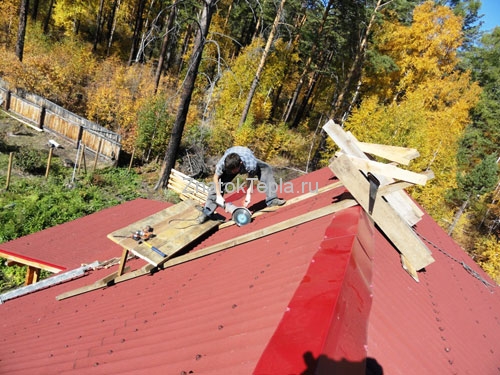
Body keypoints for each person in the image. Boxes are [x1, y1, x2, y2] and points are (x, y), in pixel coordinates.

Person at [198, 146, 286, 223]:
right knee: (217, 186)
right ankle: (207, 211)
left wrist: (248, 195)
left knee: (266, 169)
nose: (233, 173)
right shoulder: (222, 165)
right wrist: (218, 196)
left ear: (240, 164)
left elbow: (250, 178)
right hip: (232, 157)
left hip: (246, 156)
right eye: (231, 171)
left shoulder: (250, 164)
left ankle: (272, 200)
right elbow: (215, 178)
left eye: (234, 171)